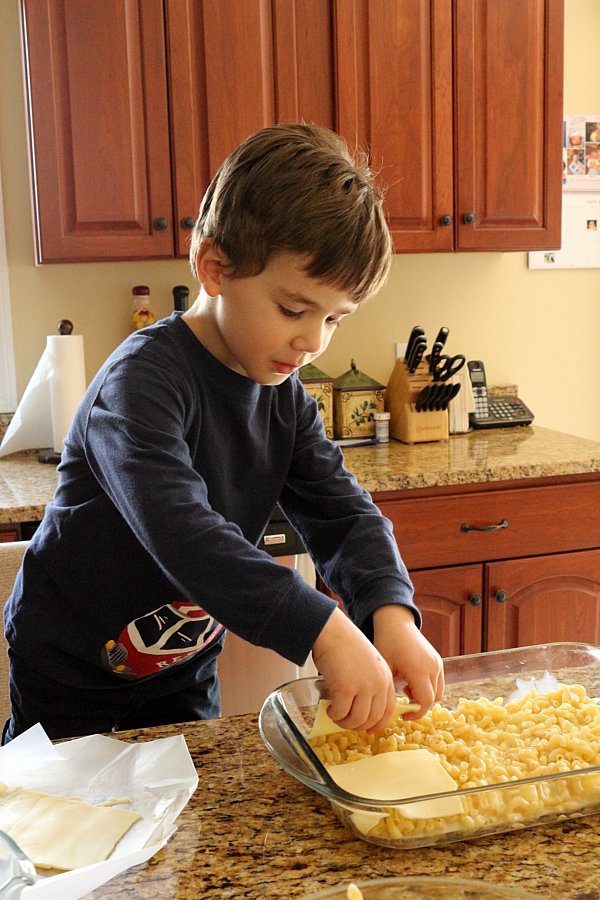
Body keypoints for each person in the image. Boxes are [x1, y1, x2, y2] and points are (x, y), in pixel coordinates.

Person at [4, 123, 443, 743]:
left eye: (334, 320)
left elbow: (345, 516)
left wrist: (390, 614)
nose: (312, 340)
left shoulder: (284, 401)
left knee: (188, 815)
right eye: (294, 309)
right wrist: (324, 628)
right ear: (214, 267)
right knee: (70, 821)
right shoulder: (139, 385)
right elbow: (184, 534)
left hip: (182, 665)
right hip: (72, 666)